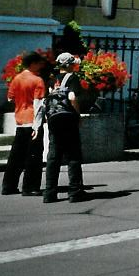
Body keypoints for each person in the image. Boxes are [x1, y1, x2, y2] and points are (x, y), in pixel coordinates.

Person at [41, 52, 88, 203]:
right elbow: (72, 97)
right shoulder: (72, 78)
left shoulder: (52, 80)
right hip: (68, 119)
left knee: (53, 156)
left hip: (54, 120)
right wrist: (78, 115)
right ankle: (75, 192)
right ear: (70, 65)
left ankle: (50, 193)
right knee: (73, 155)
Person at [1, 51, 47, 196]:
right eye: (39, 63)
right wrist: (37, 126)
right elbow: (39, 105)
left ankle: (9, 186)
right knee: (33, 156)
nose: (41, 65)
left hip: (20, 120)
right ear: (33, 64)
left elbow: (10, 98)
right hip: (32, 120)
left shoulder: (16, 79)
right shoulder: (37, 80)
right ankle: (30, 187)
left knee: (16, 156)